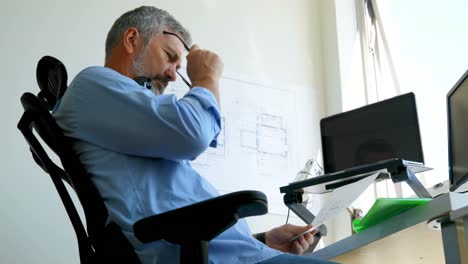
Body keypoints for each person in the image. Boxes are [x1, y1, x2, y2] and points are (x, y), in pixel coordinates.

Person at [53, 6, 335, 264]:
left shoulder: (124, 124)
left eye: (180, 67)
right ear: (131, 40)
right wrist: (206, 78)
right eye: (170, 57)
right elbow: (194, 135)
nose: (175, 76)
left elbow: (172, 213)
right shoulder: (92, 85)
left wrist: (259, 240)